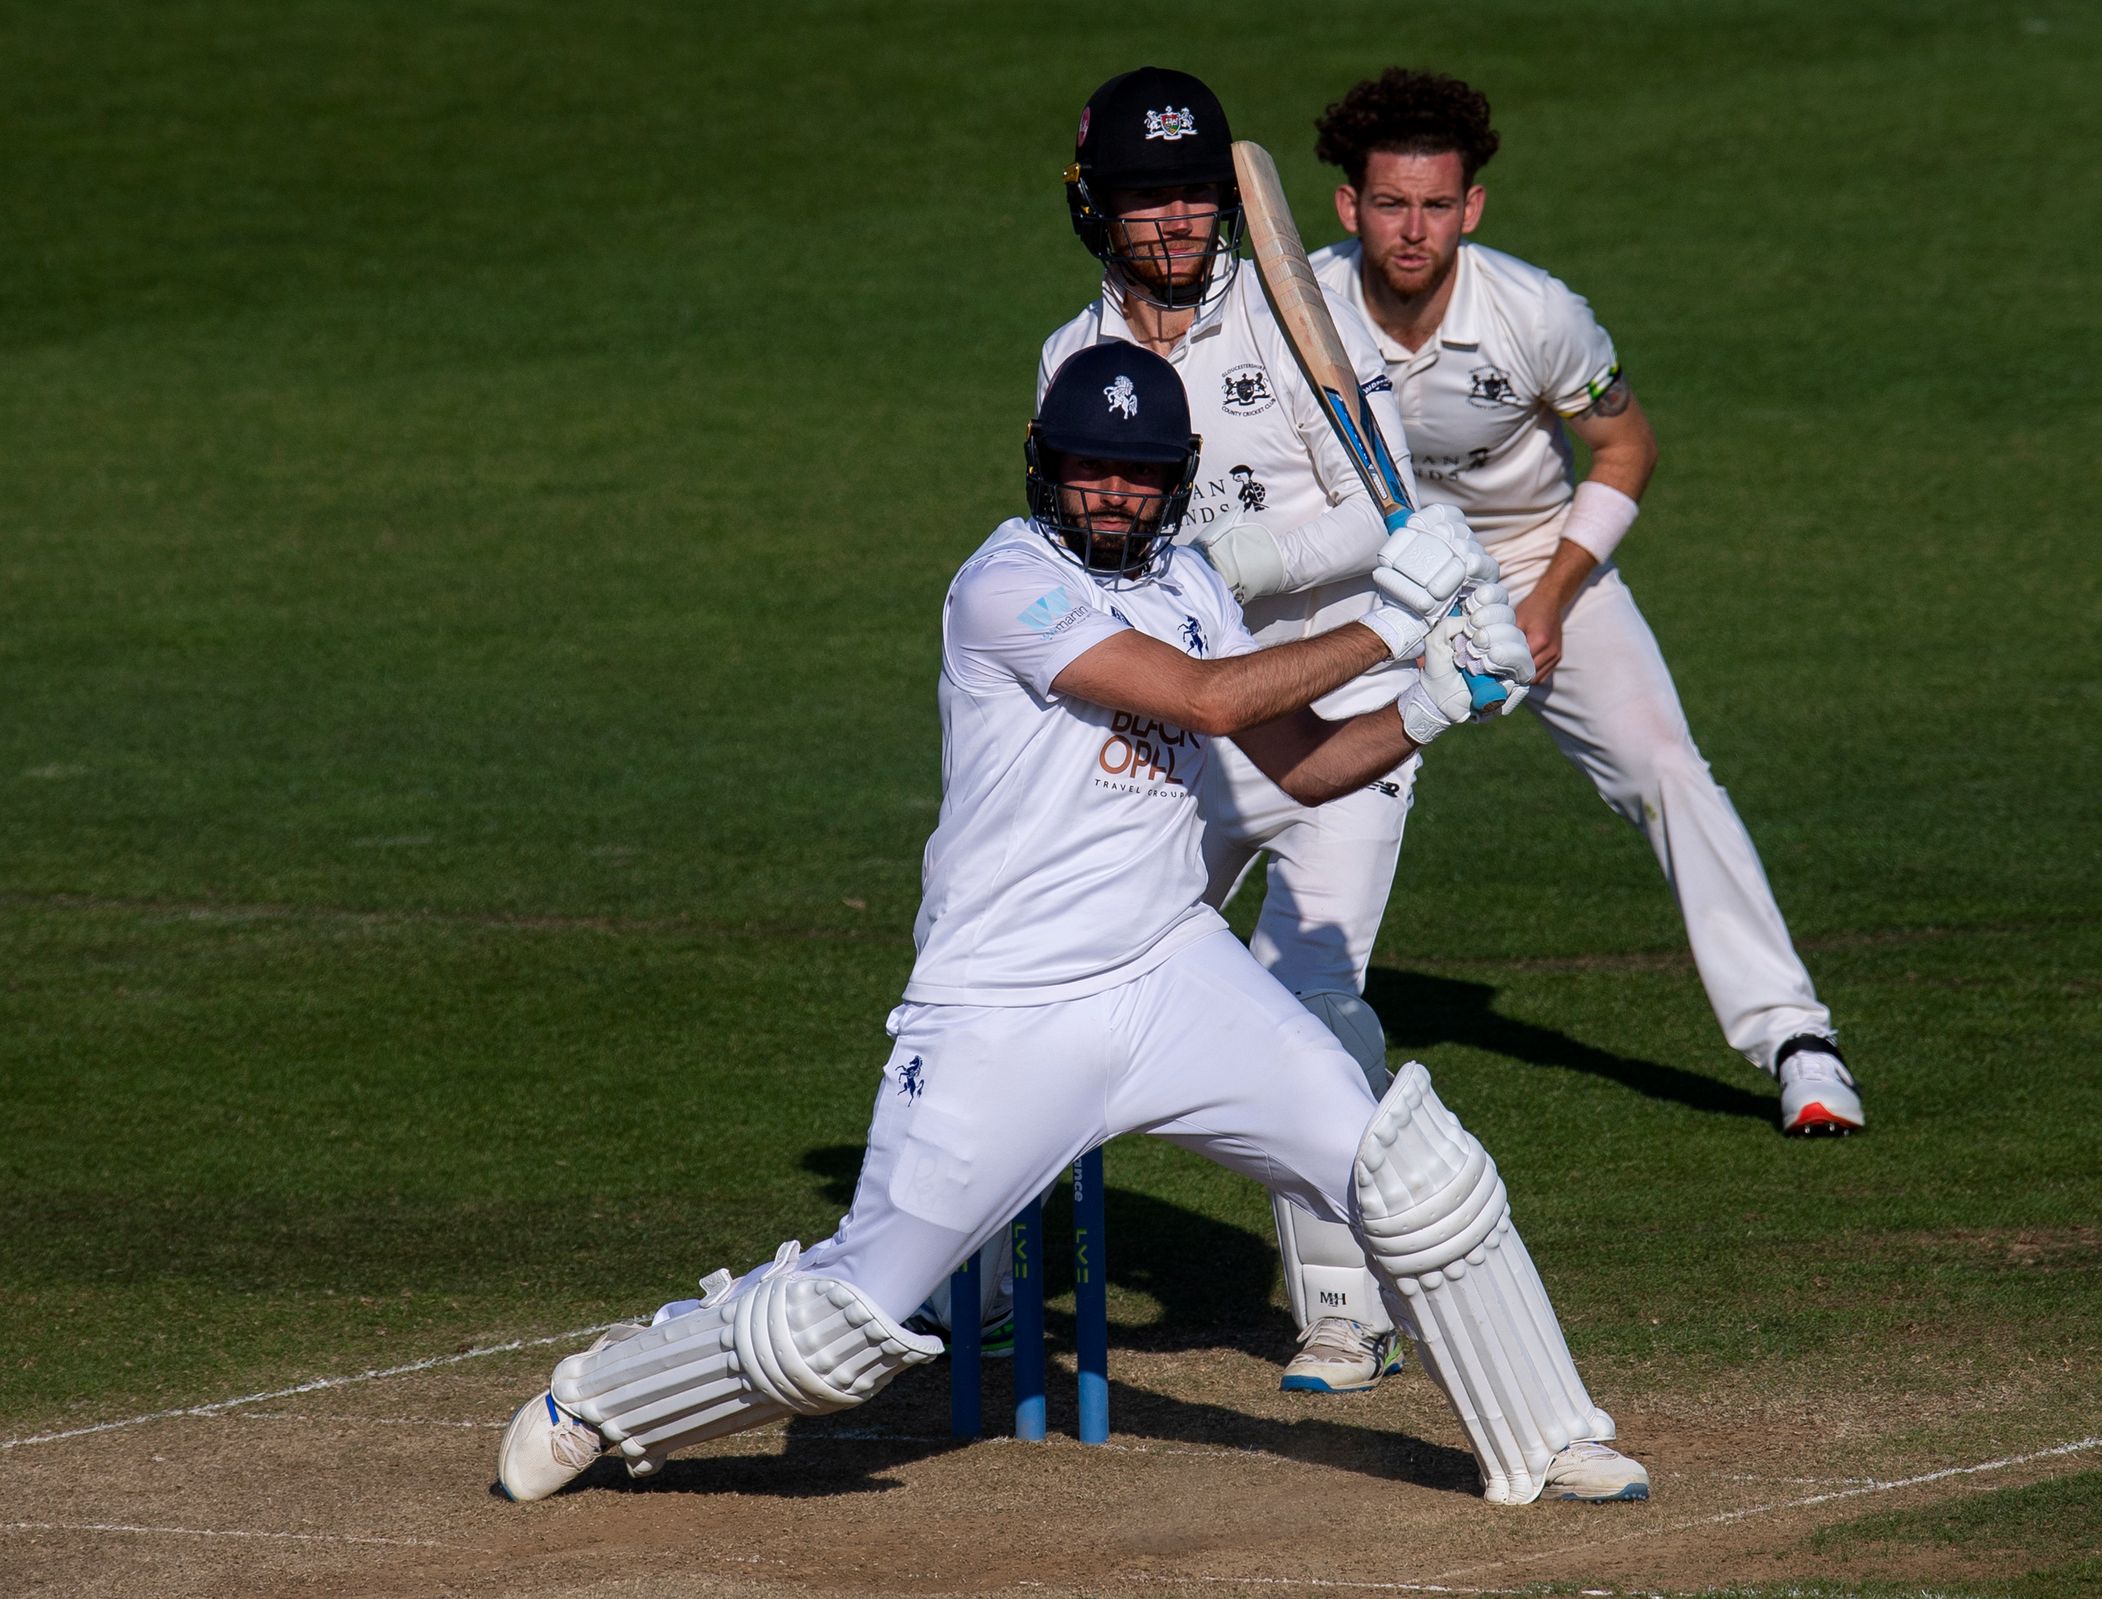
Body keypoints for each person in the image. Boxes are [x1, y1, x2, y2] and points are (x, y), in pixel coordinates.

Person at [494, 345, 1652, 1507]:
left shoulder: (1193, 589)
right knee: (837, 1333)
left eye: (1138, 475)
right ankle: (603, 1397)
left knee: (1407, 1178)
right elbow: (1202, 700)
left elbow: (1307, 767)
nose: (1111, 493)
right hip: (1004, 1011)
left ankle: (1551, 1437)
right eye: (1088, 469)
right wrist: (1397, 623)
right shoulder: (1004, 586)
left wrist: (1442, 698)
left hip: (1170, 971)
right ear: (1044, 467)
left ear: (1175, 480)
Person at [1306, 67, 1863, 1141]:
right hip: (1372, 584)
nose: (1412, 231)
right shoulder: (1303, 313)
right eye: (1389, 204)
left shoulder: (1537, 313)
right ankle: (1299, 1041)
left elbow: (1625, 446)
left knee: (1666, 770)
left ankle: (1798, 1040)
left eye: (1435, 206)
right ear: (1349, 206)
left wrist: (1552, 599)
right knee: (1329, 799)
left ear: (1471, 207)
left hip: (1530, 560)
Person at [1038, 65, 1460, 1397]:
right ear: (1095, 205)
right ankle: (985, 1260)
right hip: (1181, 738)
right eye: (1144, 196)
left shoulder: (1304, 313)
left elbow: (1370, 515)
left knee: (1311, 1001)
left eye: (1190, 194)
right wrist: (1192, 579)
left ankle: (1343, 1307)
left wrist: (1222, 559)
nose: (1171, 220)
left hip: (1334, 708)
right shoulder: (1071, 359)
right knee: (1066, 975)